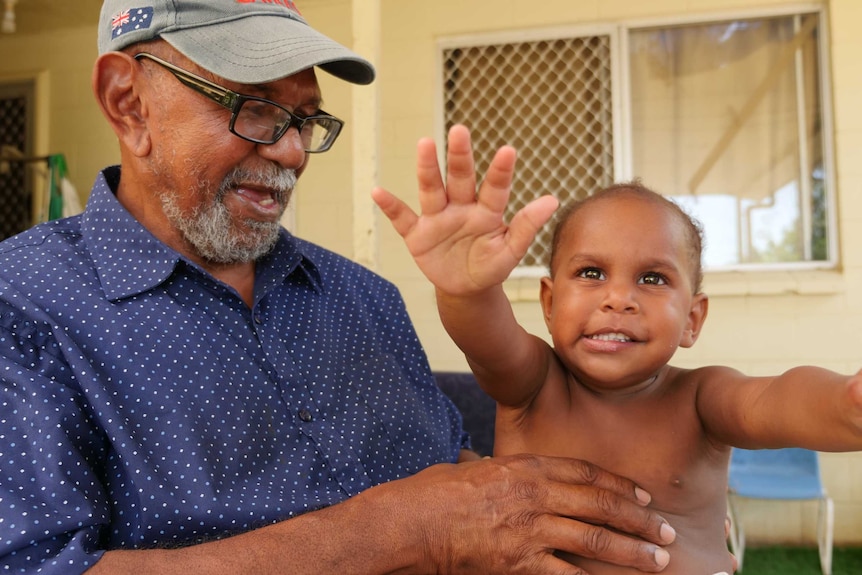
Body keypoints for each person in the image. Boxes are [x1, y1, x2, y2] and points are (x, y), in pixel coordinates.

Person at [0, 2, 685, 574]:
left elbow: (456, 478)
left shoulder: (365, 297)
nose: (293, 152)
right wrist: (402, 529)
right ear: (128, 103)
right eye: (255, 108)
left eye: (304, 120)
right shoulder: (24, 305)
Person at [372, 124, 862, 574]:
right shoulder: (534, 384)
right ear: (549, 302)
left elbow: (779, 401)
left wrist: (847, 402)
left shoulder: (702, 397)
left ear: (692, 319)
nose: (618, 298)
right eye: (591, 273)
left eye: (652, 278)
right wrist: (468, 290)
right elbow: (486, 340)